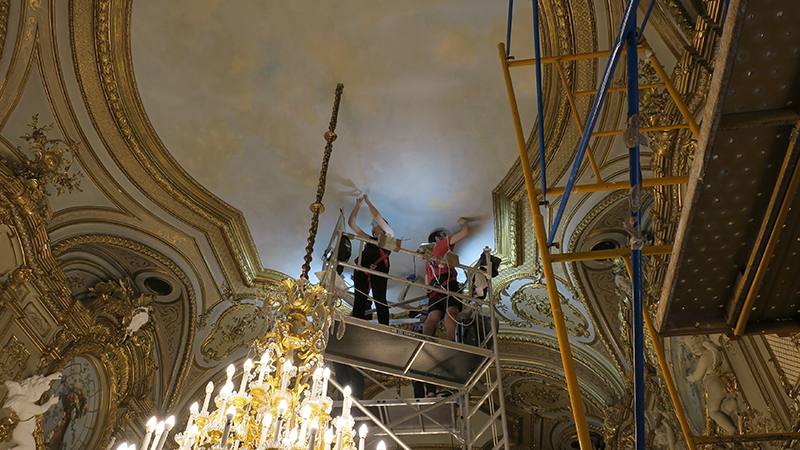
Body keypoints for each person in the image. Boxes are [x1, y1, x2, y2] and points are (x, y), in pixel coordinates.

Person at [348, 194, 395, 325]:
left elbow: (377, 217)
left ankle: (384, 325)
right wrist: (357, 206)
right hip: (362, 268)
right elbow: (351, 224)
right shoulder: (369, 239)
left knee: (379, 298)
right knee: (359, 298)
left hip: (379, 267)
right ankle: (357, 322)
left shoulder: (389, 236)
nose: (376, 223)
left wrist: (368, 202)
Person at [423, 218, 470, 341]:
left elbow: (426, 285)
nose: (446, 237)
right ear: (437, 238)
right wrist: (464, 223)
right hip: (446, 280)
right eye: (443, 236)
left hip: (433, 286)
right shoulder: (440, 245)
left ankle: (426, 340)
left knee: (433, 315)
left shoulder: (428, 259)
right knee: (451, 310)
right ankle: (451, 341)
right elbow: (465, 232)